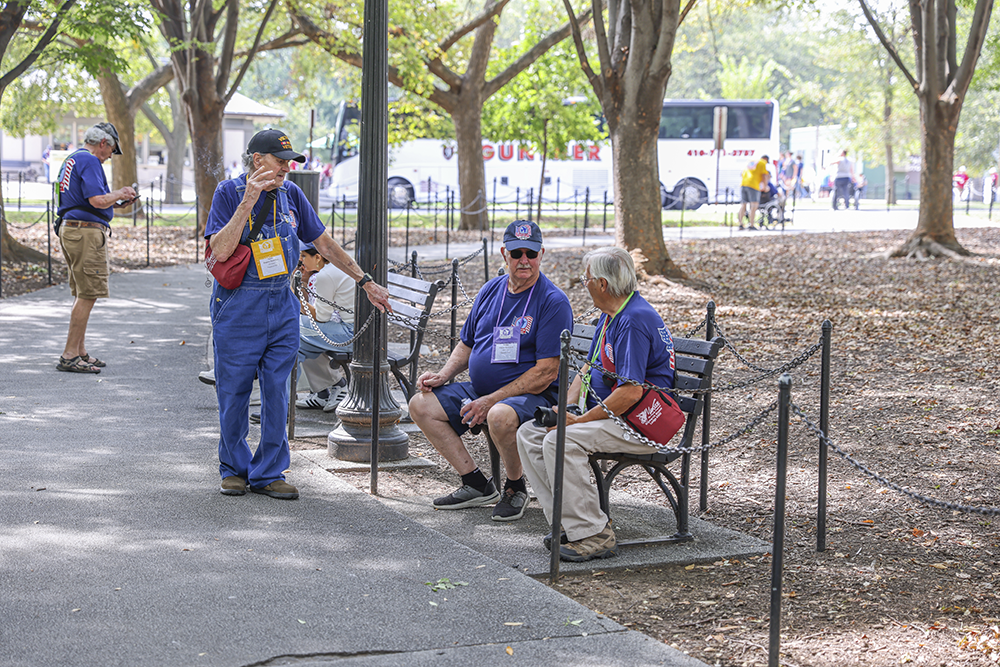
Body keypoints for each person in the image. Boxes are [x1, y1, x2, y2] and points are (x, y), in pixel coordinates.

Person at [206, 128, 391, 500]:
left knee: (277, 391)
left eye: (290, 163)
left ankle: (270, 471)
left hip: (282, 304)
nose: (286, 169)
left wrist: (365, 281)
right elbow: (220, 251)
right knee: (235, 390)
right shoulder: (228, 193)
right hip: (239, 304)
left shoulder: (292, 195)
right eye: (279, 161)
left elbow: (323, 242)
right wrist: (248, 202)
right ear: (257, 161)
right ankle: (234, 469)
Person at [517, 247, 680, 562]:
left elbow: (631, 392)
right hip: (613, 417)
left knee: (560, 440)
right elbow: (589, 367)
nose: (584, 283)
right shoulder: (611, 315)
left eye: (587, 278)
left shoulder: (633, 321)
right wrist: (564, 408)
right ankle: (569, 523)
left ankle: (594, 534)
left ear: (603, 284)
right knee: (530, 433)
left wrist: (580, 421)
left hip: (639, 423)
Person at [408, 220, 573, 521]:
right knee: (420, 404)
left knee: (498, 415)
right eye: (517, 252)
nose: (524, 260)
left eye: (531, 253)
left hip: (532, 396)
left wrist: (491, 400)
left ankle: (515, 487)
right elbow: (467, 343)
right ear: (504, 254)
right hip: (482, 390)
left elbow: (546, 372)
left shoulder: (552, 301)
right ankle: (476, 484)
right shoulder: (491, 289)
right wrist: (444, 375)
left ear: (541, 254)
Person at [54, 122, 138, 374]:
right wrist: (121, 192)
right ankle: (69, 354)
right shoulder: (90, 160)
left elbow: (89, 201)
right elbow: (97, 199)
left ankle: (79, 351)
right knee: (89, 293)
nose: (111, 156)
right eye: (112, 150)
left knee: (83, 292)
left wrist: (117, 203)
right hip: (85, 232)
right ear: (103, 143)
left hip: (72, 229)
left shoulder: (73, 158)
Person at [294, 243, 354, 412]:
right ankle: (320, 393)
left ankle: (281, 406)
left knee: (290, 331)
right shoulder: (334, 268)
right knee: (295, 343)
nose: (301, 260)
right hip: (352, 330)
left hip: (351, 335)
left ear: (318, 257)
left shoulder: (325, 275)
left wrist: (294, 298)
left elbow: (321, 317)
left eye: (304, 256)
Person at [737, 154, 769, 230]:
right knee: (754, 206)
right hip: (753, 185)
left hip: (743, 184)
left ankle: (740, 224)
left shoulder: (751, 161)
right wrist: (765, 186)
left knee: (743, 205)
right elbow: (764, 175)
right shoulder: (762, 162)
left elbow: (742, 173)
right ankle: (751, 225)